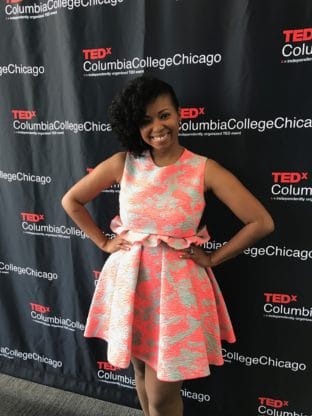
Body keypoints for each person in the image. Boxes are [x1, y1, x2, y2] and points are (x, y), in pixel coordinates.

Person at [61, 76, 274, 416]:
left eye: (163, 115)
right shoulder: (123, 163)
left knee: (162, 396)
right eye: (145, 121)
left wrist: (213, 258)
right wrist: (102, 241)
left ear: (179, 115)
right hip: (130, 285)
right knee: (141, 372)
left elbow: (261, 222)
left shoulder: (204, 169)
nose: (157, 127)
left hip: (177, 294)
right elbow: (71, 200)